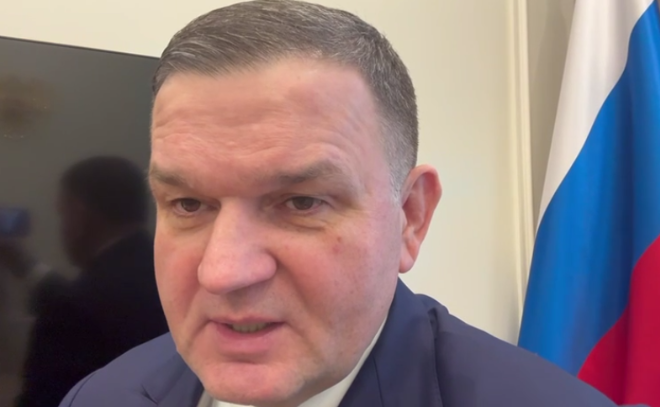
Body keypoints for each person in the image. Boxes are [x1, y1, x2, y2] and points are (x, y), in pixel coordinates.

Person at [58, 1, 617, 406]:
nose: (223, 271)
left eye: (301, 202)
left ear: (410, 218)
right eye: (187, 204)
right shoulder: (103, 395)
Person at [0, 156, 168, 406]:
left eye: (63, 215)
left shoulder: (75, 308)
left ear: (79, 217)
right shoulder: (169, 276)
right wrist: (22, 263)